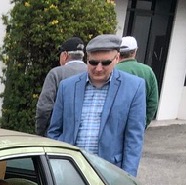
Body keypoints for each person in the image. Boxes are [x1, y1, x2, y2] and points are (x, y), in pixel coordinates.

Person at [47, 34, 146, 176]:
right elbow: (54, 131)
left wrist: (127, 179)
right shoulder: (67, 86)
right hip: (69, 171)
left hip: (109, 173)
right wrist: (55, 166)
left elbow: (134, 140)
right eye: (93, 62)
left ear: (117, 58)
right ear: (87, 59)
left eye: (105, 63)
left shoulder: (134, 87)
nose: (98, 68)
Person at [35, 36, 86, 137]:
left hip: (58, 135)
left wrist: (40, 131)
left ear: (65, 55)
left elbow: (44, 107)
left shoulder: (56, 73)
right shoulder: (92, 74)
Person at [117, 36, 159, 126]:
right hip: (137, 123)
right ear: (135, 51)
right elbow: (153, 102)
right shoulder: (148, 71)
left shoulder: (112, 70)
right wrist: (143, 123)